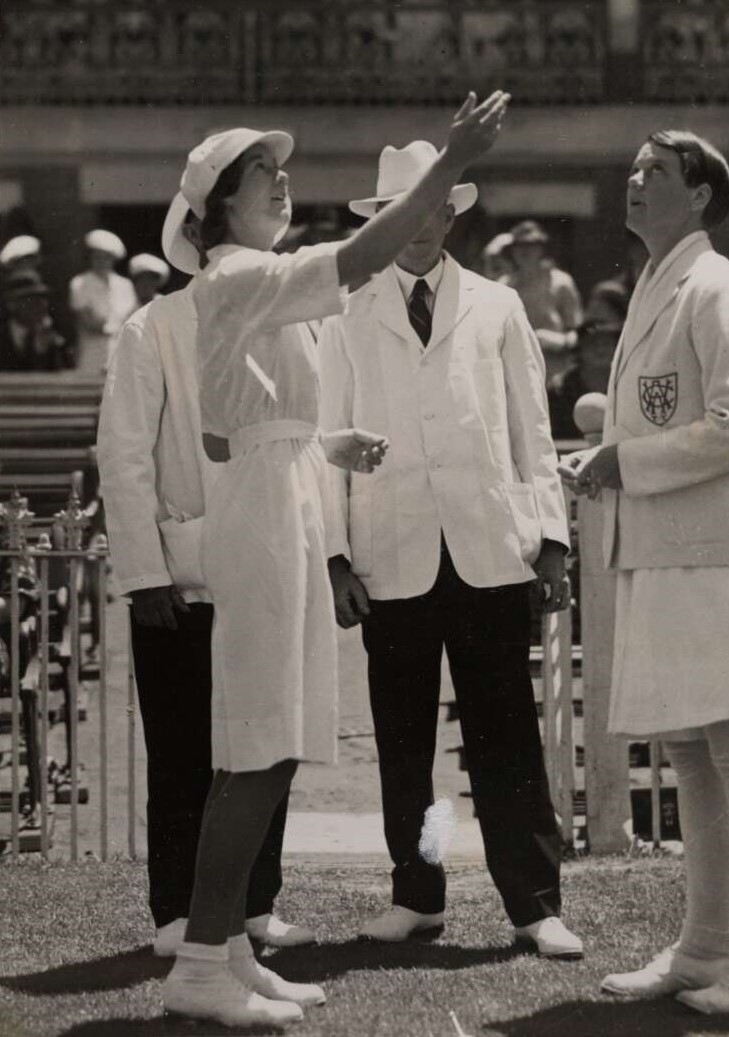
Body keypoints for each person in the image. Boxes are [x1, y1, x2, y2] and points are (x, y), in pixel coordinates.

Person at [160, 92, 510, 1030]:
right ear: (218, 207)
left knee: (265, 747)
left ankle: (229, 947)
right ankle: (200, 960)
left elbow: (234, 430)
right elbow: (357, 260)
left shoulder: (251, 281)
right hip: (267, 523)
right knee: (261, 749)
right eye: (261, 176)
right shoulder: (235, 275)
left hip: (282, 503)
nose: (282, 184)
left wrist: (325, 444)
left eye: (280, 172)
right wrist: (448, 165)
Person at [560, 130, 729, 1014]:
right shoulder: (656, 284)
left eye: (658, 173)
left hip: (715, 556)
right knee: (691, 754)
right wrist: (609, 452)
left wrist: (622, 464)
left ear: (703, 194)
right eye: (632, 168)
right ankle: (705, 949)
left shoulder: (721, 287)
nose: (635, 181)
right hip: (666, 554)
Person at [318, 139, 581, 959]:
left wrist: (550, 540)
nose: (419, 227)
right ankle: (417, 892)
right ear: (384, 220)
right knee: (403, 740)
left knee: (505, 734)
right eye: (404, 212)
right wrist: (333, 554)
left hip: (487, 551)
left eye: (434, 209)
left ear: (451, 214)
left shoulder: (498, 306)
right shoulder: (346, 312)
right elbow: (326, 437)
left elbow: (530, 432)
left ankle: (535, 903)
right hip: (388, 556)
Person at [97, 214, 318, 962]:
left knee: (261, 743)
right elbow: (123, 456)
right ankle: (175, 911)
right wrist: (145, 574)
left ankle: (254, 905)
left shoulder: (281, 318)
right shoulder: (151, 327)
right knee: (185, 748)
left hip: (261, 561)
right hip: (183, 577)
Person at [500, 218, 583, 381]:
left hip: (552, 369)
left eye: (532, 245)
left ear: (542, 249)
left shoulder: (560, 283)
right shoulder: (503, 285)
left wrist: (554, 340)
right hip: (514, 368)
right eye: (519, 246)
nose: (525, 251)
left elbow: (579, 334)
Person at [548, 285, 626, 439]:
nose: (600, 349)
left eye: (607, 342)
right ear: (580, 348)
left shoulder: (628, 384)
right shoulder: (559, 390)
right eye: (593, 341)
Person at [69, 229, 138, 373]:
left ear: (114, 259)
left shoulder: (125, 285)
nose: (101, 262)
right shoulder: (79, 283)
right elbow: (89, 322)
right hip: (91, 355)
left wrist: (108, 324)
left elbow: (132, 321)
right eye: (97, 257)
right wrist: (117, 325)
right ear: (90, 258)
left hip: (120, 355)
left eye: (106, 257)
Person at [0, 268, 74, 371]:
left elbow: (63, 377)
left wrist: (42, 352)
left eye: (42, 298)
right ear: (11, 304)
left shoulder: (54, 339)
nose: (41, 305)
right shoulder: (3, 335)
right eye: (30, 299)